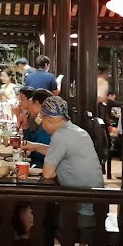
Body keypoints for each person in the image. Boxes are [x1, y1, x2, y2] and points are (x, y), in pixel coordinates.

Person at [24, 96, 104, 229]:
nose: (40, 121)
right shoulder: (77, 131)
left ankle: (34, 241)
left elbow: (48, 174)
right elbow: (59, 152)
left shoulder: (60, 136)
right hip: (98, 204)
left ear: (49, 119)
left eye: (41, 117)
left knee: (32, 212)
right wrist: (35, 146)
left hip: (80, 208)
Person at [21, 89, 53, 167]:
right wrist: (25, 127)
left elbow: (40, 153)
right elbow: (33, 141)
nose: (28, 109)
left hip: (43, 166)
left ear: (37, 104)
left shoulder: (49, 122)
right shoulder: (39, 119)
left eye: (30, 105)